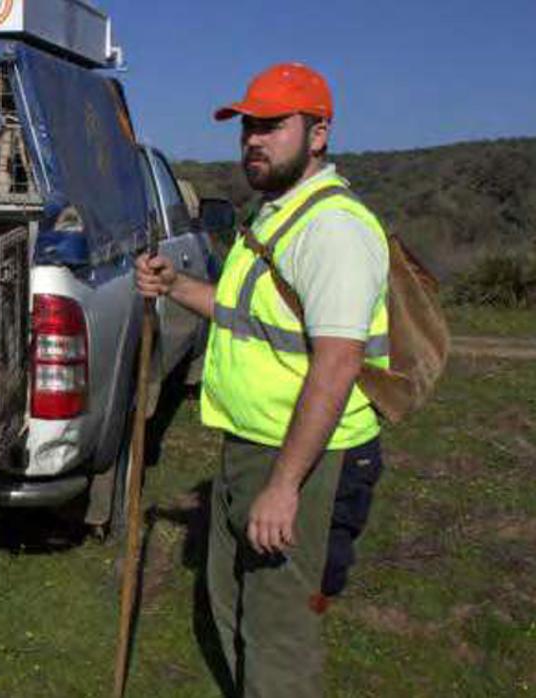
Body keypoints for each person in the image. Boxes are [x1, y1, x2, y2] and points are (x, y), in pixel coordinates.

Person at [136, 63, 389, 697]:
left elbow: (337, 363)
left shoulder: (332, 229)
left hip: (307, 457)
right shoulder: (274, 214)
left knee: (277, 634)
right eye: (249, 125)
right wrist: (174, 285)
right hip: (252, 444)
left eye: (273, 125)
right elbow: (241, 312)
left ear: (319, 133)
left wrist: (284, 486)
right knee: (233, 604)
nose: (254, 138)